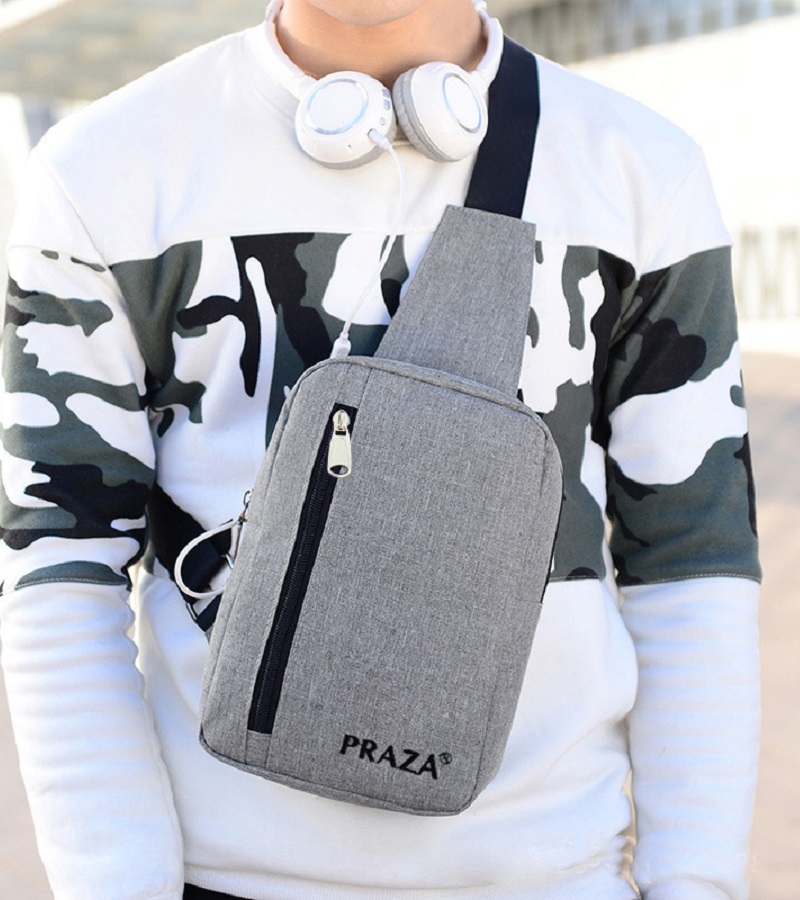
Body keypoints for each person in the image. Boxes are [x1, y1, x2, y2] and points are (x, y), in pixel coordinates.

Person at [0, 0, 761, 897]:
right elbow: (58, 559)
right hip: (218, 876)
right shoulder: (102, 172)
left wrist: (696, 881)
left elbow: (692, 559)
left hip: (556, 877)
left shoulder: (642, 171)